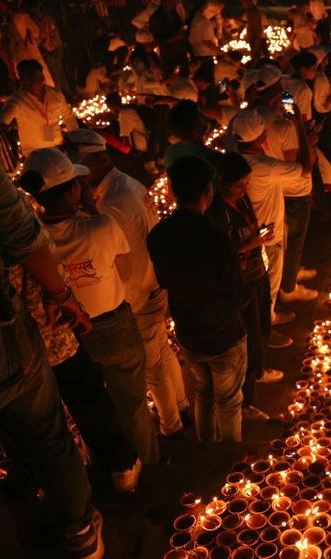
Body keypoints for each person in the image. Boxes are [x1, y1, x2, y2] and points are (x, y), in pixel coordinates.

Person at [0, 153, 103, 559]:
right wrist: (62, 296)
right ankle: (79, 533)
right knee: (46, 432)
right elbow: (22, 235)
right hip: (1, 341)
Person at [18, 147, 158, 467]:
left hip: (69, 334)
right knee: (133, 403)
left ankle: (108, 465)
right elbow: (120, 252)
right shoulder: (100, 226)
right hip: (113, 325)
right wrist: (92, 210)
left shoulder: (36, 241)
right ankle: (146, 464)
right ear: (73, 190)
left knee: (90, 406)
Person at [64, 129, 190, 441]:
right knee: (161, 349)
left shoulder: (114, 200)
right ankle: (181, 406)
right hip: (153, 281)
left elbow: (113, 252)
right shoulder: (126, 184)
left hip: (139, 289)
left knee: (152, 363)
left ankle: (171, 427)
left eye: (81, 168)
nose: (77, 178)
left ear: (101, 157)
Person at [149, 156, 248, 443]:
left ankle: (207, 450)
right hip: (224, 335)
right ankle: (230, 461)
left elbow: (165, 280)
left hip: (188, 333)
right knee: (229, 401)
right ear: (209, 192)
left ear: (171, 191)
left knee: (203, 393)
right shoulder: (217, 240)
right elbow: (238, 295)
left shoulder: (158, 235)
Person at [207, 152, 281, 422]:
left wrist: (258, 235)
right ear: (222, 183)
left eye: (246, 183)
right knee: (248, 338)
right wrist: (252, 244)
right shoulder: (217, 213)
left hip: (256, 272)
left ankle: (258, 372)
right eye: (239, 185)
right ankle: (245, 401)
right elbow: (223, 255)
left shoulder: (241, 200)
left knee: (262, 326)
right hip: (240, 282)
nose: (245, 189)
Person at [230, 109, 311, 350]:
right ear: (260, 138)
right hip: (267, 236)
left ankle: (269, 319)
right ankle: (266, 333)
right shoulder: (265, 166)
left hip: (253, 232)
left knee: (264, 289)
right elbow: (305, 168)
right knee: (268, 288)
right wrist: (302, 131)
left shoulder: (234, 160)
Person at [0, 59, 77, 157]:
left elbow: (69, 116)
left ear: (42, 77)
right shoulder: (17, 100)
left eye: (30, 76)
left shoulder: (55, 95)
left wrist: (76, 138)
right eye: (22, 77)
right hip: (35, 155)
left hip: (58, 149)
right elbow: (2, 120)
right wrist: (2, 126)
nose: (26, 81)